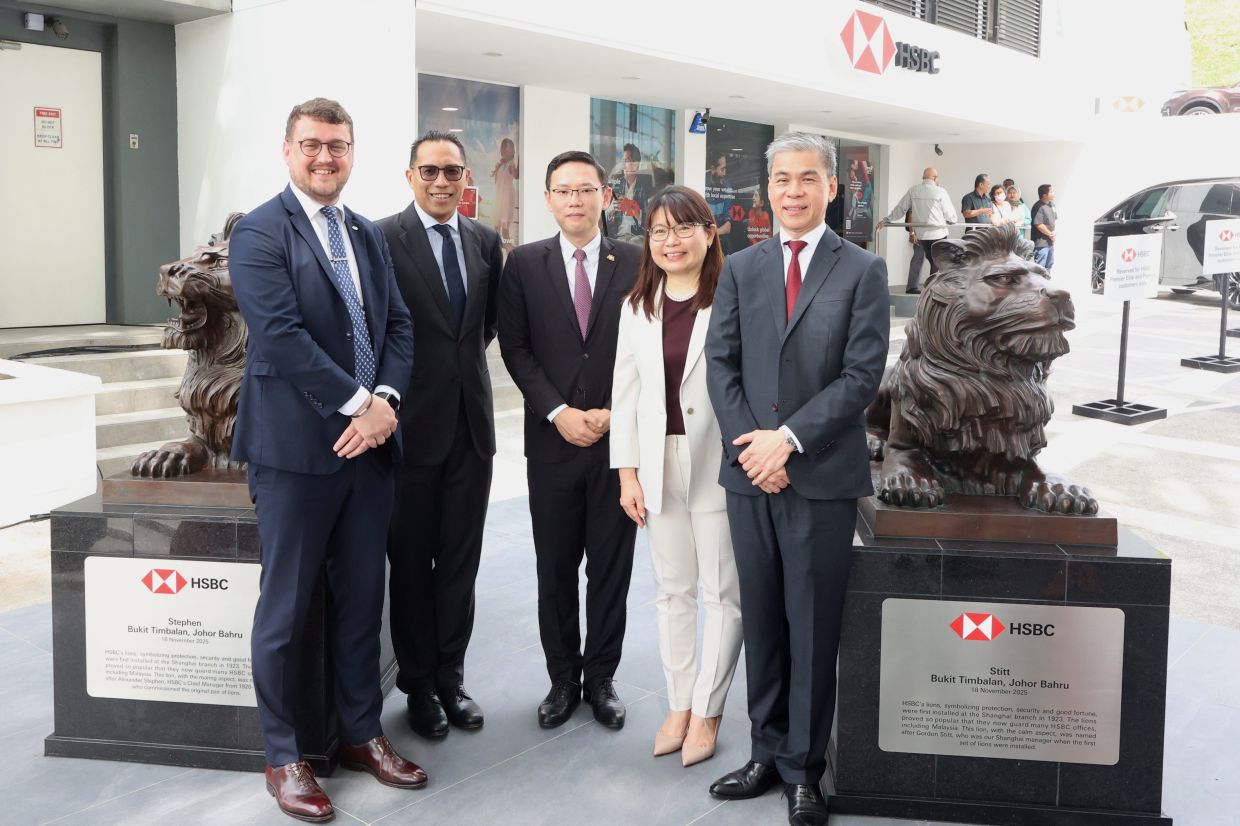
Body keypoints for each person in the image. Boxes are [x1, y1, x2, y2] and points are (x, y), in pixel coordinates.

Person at [230, 98, 422, 823]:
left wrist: (386, 403)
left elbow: (397, 325)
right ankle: (284, 756)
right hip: (295, 457)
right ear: (287, 151)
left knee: (359, 602)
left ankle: (359, 735)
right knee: (285, 610)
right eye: (311, 145)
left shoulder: (364, 234)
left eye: (337, 146)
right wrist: (358, 406)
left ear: (351, 153)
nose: (325, 157)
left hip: (368, 452)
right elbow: (279, 338)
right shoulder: (258, 233)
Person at [704, 132, 890, 826]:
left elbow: (861, 377)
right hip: (751, 475)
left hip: (818, 475)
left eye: (807, 179)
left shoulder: (862, 269)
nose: (792, 191)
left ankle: (804, 772)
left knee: (812, 626)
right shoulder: (743, 266)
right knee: (764, 621)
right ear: (768, 188)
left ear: (831, 187)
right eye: (781, 179)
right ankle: (763, 751)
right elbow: (720, 363)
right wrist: (752, 447)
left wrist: (788, 441)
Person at [499, 150, 641, 732]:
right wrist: (558, 411)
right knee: (555, 567)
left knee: (611, 567)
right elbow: (516, 348)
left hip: (618, 443)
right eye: (564, 191)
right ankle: (562, 678)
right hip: (553, 442)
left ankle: (601, 677)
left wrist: (614, 411)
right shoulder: (524, 265)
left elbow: (648, 348)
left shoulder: (636, 261)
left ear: (606, 196)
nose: (575, 201)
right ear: (549, 198)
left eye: (586, 190)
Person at [378, 131, 504, 741]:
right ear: (410, 176)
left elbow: (482, 330)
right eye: (429, 170)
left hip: (471, 429)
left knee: (460, 560)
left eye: (452, 171)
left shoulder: (484, 240)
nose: (442, 181)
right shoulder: (380, 238)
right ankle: (418, 684)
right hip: (407, 432)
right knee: (410, 564)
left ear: (465, 178)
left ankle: (452, 676)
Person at [610, 186, 742, 768]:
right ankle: (678, 703)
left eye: (683, 228)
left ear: (710, 232)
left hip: (719, 459)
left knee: (722, 593)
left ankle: (709, 710)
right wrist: (627, 473)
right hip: (657, 460)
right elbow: (627, 390)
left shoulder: (733, 297)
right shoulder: (637, 304)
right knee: (672, 591)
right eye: (659, 231)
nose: (671, 240)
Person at [876, 166, 958, 293]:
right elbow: (950, 215)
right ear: (935, 178)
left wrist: (887, 220)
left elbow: (900, 208)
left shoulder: (913, 190)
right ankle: (932, 291)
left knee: (927, 260)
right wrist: (952, 220)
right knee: (937, 263)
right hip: (938, 233)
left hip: (921, 235)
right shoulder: (940, 191)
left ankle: (923, 289)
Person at [606, 143, 653, 241]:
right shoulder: (617, 185)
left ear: (637, 164)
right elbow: (607, 216)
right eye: (624, 161)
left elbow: (651, 219)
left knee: (634, 243)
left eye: (629, 161)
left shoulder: (645, 187)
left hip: (636, 235)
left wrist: (633, 210)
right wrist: (612, 211)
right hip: (617, 236)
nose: (625, 165)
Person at [491, 136, 519, 245]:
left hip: (507, 196)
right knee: (497, 226)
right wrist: (498, 167)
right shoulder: (500, 164)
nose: (505, 151)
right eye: (504, 149)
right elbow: (496, 181)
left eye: (508, 149)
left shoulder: (511, 164)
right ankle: (497, 248)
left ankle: (509, 251)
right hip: (499, 195)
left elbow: (516, 176)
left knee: (505, 226)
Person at [705, 153, 735, 247]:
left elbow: (727, 227)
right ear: (713, 169)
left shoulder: (727, 188)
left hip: (720, 241)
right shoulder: (701, 182)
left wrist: (709, 235)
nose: (724, 173)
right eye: (722, 169)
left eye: (725, 169)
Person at [1031, 184, 1057, 270]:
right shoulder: (1038, 207)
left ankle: (1047, 283)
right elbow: (1039, 224)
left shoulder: (1052, 205)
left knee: (1049, 265)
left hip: (1050, 242)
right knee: (1040, 268)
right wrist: (1050, 234)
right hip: (1041, 243)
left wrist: (1054, 232)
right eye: (1052, 191)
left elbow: (1055, 220)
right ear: (1044, 195)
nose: (1054, 193)